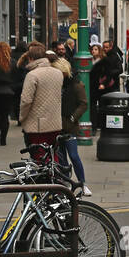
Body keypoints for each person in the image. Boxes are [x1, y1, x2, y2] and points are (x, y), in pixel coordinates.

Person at [53, 54, 92, 195]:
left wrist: (73, 117)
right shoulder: (56, 85)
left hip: (69, 126)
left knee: (74, 156)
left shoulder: (76, 86)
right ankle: (67, 183)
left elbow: (84, 104)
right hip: (57, 126)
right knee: (61, 158)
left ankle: (83, 183)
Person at [17, 42, 64, 149]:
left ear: (31, 58)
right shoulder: (58, 73)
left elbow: (26, 100)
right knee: (52, 154)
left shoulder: (32, 75)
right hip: (55, 123)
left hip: (37, 125)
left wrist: (22, 118)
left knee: (38, 156)